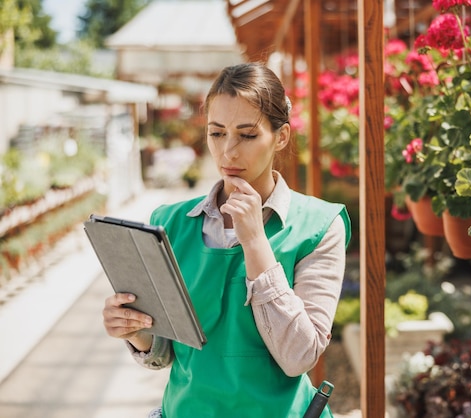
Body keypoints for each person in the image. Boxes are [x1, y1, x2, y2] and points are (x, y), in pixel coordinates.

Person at [102, 62, 352, 418]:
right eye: (217, 133)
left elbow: (299, 357)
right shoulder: (168, 223)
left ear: (280, 137)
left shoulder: (319, 226)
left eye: (247, 135)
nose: (228, 152)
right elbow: (164, 352)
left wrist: (254, 241)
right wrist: (133, 330)